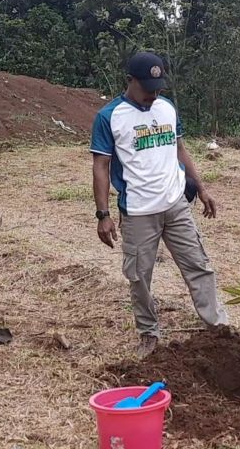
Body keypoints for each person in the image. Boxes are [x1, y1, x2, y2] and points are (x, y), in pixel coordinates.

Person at [90, 51, 229, 360]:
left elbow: (180, 149)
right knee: (139, 277)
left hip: (176, 205)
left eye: (158, 88)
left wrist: (201, 188)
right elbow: (101, 166)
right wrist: (103, 214)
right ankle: (149, 333)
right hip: (138, 212)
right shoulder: (109, 117)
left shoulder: (166, 108)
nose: (153, 95)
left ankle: (218, 326)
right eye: (147, 88)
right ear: (130, 81)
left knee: (198, 266)